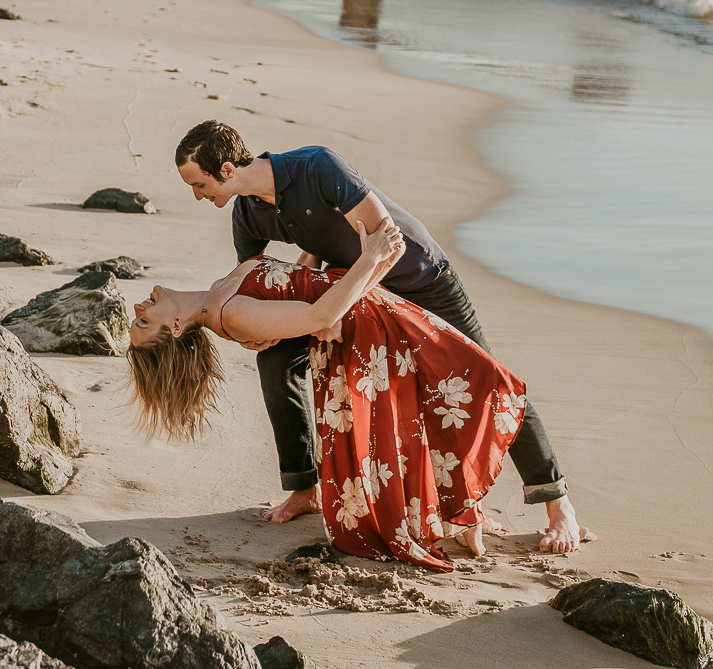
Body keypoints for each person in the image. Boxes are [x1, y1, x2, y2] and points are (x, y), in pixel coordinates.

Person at [174, 120, 581, 553]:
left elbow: (389, 243)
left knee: (488, 379)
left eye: (199, 184)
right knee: (276, 358)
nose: (198, 195)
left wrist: (333, 307)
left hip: (421, 279)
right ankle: (303, 487)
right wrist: (264, 330)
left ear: (226, 169)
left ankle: (558, 504)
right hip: (355, 295)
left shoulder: (317, 166)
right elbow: (256, 279)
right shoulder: (248, 213)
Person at [127, 226, 532, 572]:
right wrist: (372, 259)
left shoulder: (217, 294)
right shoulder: (230, 315)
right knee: (473, 383)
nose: (137, 306)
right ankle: (463, 511)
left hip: (367, 308)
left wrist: (316, 244)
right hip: (369, 325)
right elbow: (320, 317)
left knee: (440, 400)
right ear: (177, 328)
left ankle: (461, 512)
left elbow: (295, 282)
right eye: (144, 321)